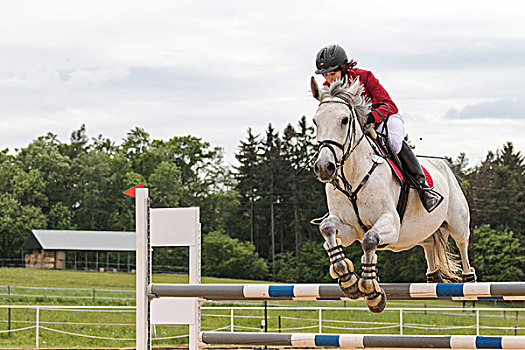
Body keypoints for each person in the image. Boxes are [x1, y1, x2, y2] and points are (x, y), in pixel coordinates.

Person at [311, 44, 442, 222]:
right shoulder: (328, 89)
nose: (329, 79)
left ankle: (423, 187)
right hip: (354, 127)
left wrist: (372, 117)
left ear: (343, 68)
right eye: (325, 76)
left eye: (332, 74)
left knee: (394, 144)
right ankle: (338, 208)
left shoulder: (364, 76)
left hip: (383, 118)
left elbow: (389, 105)